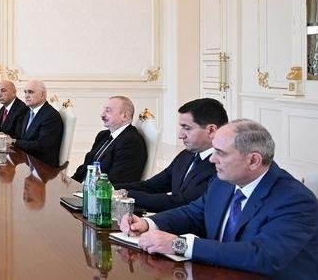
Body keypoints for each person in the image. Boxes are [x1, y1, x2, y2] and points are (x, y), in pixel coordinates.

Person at [121, 119, 318, 278]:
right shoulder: (223, 182)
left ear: (253, 160)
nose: (212, 159)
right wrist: (148, 223)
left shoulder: (295, 200)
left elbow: (262, 256)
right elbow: (194, 213)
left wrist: (178, 244)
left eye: (221, 153)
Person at [113, 98, 227, 212]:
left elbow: (179, 202)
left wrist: (124, 195)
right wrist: (112, 188)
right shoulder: (186, 155)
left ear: (211, 130)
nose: (180, 135)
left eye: (187, 128)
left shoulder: (221, 167)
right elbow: (152, 186)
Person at [71, 96, 146, 184]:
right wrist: (70, 183)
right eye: (103, 110)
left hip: (100, 191)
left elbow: (117, 181)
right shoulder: (103, 135)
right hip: (83, 187)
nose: (102, 115)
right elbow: (86, 166)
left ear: (125, 116)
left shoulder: (131, 142)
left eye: (108, 111)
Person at [9, 79, 64, 167]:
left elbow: (41, 146)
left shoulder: (51, 116)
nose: (26, 96)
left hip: (43, 167)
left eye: (30, 92)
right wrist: (7, 138)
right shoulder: (29, 112)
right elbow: (24, 138)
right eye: (25, 92)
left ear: (42, 95)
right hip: (28, 161)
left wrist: (13, 141)